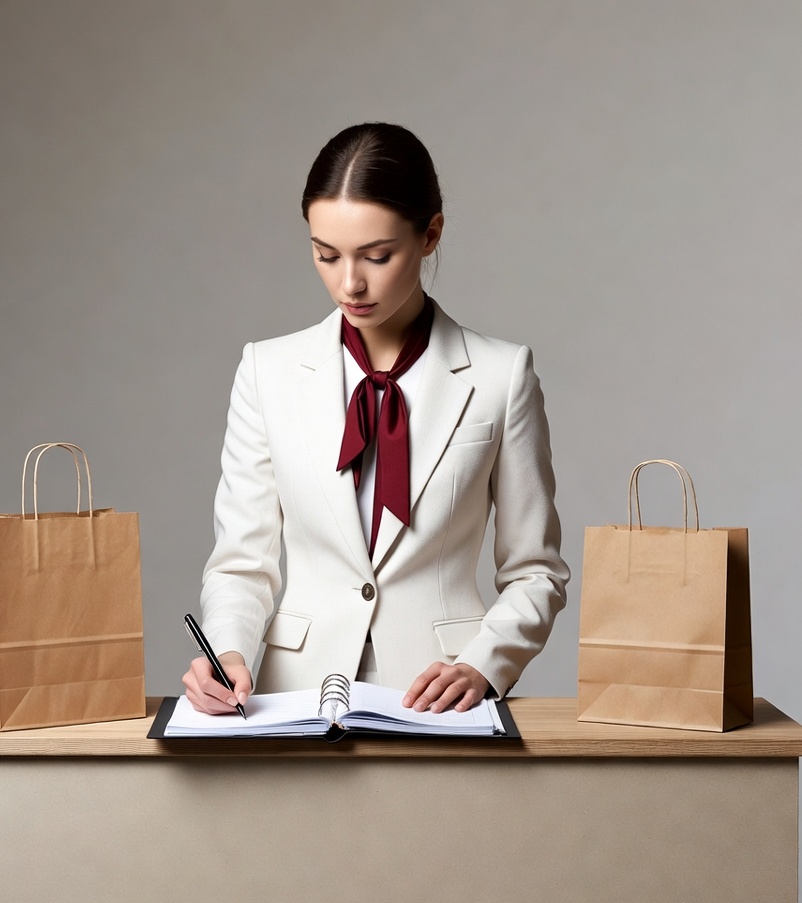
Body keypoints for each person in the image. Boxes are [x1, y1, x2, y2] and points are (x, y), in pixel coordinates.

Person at [183, 122, 569, 716]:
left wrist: (485, 663)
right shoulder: (267, 372)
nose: (349, 283)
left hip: (441, 701)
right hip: (296, 699)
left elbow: (536, 571)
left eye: (377, 256)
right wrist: (228, 649)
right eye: (325, 255)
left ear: (430, 234)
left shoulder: (502, 376)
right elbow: (241, 561)